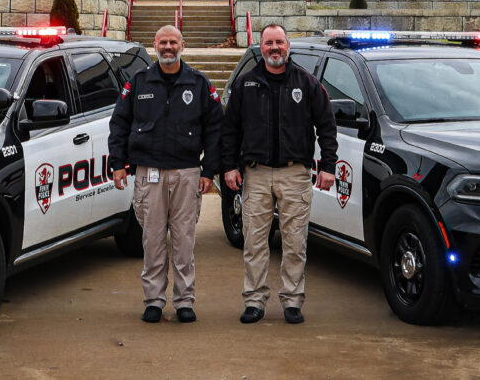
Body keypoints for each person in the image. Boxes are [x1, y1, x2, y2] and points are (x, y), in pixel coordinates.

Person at [220, 23, 337, 325]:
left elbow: (327, 127)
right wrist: (229, 167)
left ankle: (292, 301)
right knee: (254, 242)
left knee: (295, 241)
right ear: (261, 48)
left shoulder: (307, 83)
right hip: (255, 175)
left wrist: (328, 166)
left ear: (288, 46)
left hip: (294, 174)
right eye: (269, 43)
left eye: (280, 43)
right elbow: (230, 130)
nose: (274, 48)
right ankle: (254, 301)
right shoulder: (246, 84)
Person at [108, 24, 223, 323]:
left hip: (187, 172)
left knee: (184, 240)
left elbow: (215, 130)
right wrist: (118, 163)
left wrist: (209, 170)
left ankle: (185, 301)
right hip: (149, 173)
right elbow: (119, 124)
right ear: (154, 45)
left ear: (182, 44)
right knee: (153, 240)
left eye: (173, 42)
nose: (168, 47)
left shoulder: (198, 83)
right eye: (163, 42)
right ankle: (154, 301)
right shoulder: (139, 82)